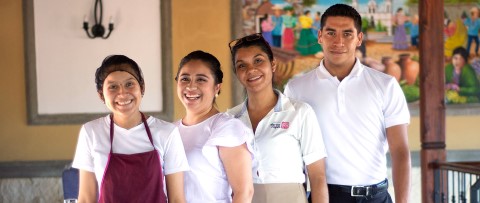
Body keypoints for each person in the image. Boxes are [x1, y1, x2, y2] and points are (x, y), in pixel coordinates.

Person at [284, 4, 411, 203]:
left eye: (347, 34)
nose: (338, 41)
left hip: (376, 196)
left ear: (359, 39)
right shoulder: (296, 89)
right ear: (320, 36)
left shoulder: (386, 85)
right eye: (331, 33)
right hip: (325, 196)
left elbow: (400, 150)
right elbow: (294, 156)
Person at [72, 55, 189, 203]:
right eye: (113, 87)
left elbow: (177, 199)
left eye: (129, 84)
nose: (122, 93)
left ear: (142, 87)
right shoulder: (91, 132)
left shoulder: (167, 132)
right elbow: (85, 198)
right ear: (101, 95)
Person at [228, 33, 328, 203]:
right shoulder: (229, 119)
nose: (251, 70)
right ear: (237, 73)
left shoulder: (299, 113)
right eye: (241, 65)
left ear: (273, 64)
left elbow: (318, 178)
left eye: (258, 60)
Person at [175, 50, 254, 203]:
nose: (191, 86)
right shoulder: (171, 130)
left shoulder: (226, 127)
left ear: (216, 87)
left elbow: (244, 192)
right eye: (184, 79)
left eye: (201, 80)